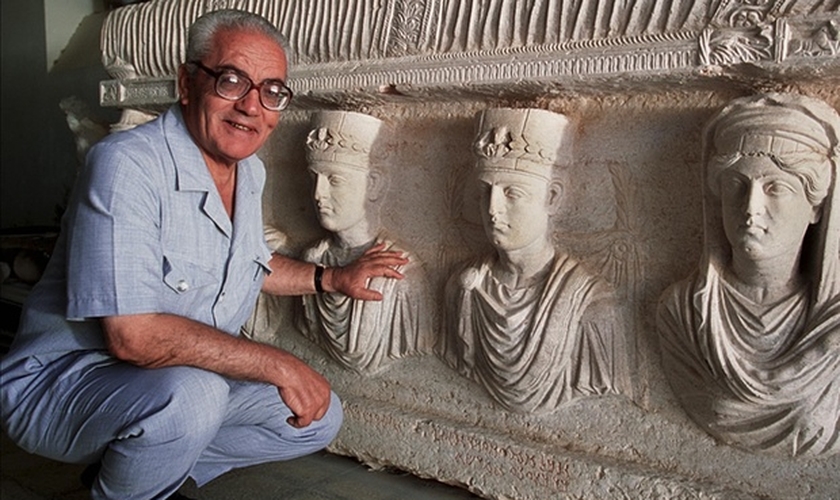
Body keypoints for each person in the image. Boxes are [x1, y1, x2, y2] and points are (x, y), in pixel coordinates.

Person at [0, 9, 408, 499]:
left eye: (271, 91)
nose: (251, 106)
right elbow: (133, 337)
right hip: (64, 385)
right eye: (232, 81)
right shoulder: (126, 165)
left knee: (315, 417)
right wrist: (278, 363)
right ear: (187, 83)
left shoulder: (247, 172)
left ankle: (151, 478)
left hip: (165, 386)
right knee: (197, 396)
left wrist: (331, 278)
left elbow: (246, 263)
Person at [657, 93, 840, 458]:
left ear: (815, 207)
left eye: (776, 188)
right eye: (737, 186)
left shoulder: (832, 331)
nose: (751, 209)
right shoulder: (682, 314)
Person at [439, 108, 630, 414]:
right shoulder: (461, 289)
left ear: (552, 197)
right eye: (485, 191)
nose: (492, 210)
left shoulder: (591, 306)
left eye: (512, 193)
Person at [297, 111, 434, 373]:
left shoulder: (403, 276)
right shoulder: (312, 259)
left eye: (334, 180)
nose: (318, 194)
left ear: (374, 185)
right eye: (314, 178)